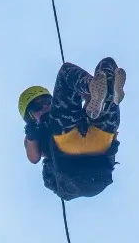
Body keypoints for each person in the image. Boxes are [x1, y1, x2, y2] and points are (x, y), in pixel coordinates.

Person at [20, 57, 125, 200]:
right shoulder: (35, 132)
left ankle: (107, 93)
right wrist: (32, 134)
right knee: (65, 73)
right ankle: (95, 88)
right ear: (30, 117)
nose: (44, 107)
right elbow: (34, 158)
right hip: (74, 148)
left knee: (107, 64)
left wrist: (89, 98)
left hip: (98, 142)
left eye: (47, 102)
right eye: (36, 108)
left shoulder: (60, 116)